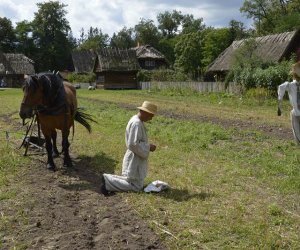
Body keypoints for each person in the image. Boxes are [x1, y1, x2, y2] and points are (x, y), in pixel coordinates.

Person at [101, 101, 157, 195]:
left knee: (132, 180)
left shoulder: (137, 120)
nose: (151, 118)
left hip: (135, 156)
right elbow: (133, 144)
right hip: (134, 157)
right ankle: (108, 182)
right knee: (136, 187)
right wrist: (148, 147)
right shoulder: (136, 124)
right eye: (150, 115)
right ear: (144, 112)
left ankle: (107, 179)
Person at [278, 61, 300, 144]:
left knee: (296, 128)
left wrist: (279, 104)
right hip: (295, 111)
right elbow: (281, 87)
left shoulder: (289, 85)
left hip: (296, 112)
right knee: (296, 128)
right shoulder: (290, 85)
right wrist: (279, 104)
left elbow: (281, 87)